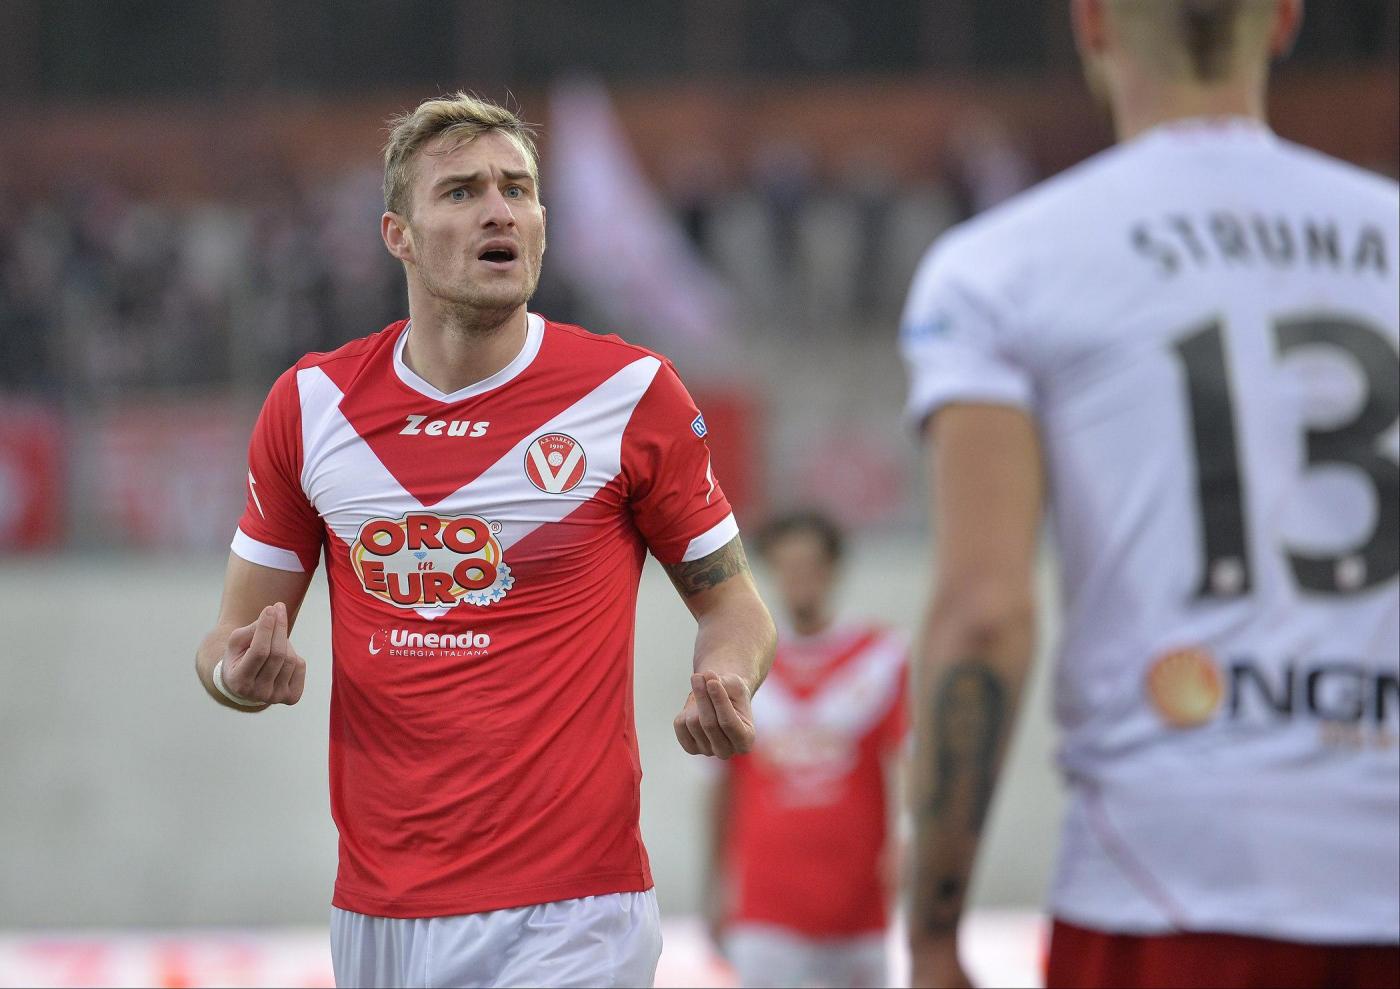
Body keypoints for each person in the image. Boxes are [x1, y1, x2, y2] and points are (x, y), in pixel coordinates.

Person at [193, 93, 776, 989]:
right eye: (462, 191)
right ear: (398, 235)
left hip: (574, 910)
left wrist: (726, 675)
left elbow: (735, 606)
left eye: (519, 189)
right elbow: (224, 644)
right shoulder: (311, 407)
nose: (500, 210)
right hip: (380, 911)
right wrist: (239, 675)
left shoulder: (629, 393)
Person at [898, 2, 1399, 987]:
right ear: (1284, 20)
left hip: (1164, 866)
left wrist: (932, 934)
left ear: (1090, 22)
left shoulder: (1003, 264)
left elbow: (985, 612)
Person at [705, 510, 907, 988]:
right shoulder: (738, 668)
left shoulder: (881, 658)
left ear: (833, 569)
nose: (799, 580)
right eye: (787, 566)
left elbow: (907, 763)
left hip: (859, 905)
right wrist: (714, 885)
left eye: (810, 565)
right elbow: (718, 785)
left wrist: (908, 839)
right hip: (766, 907)